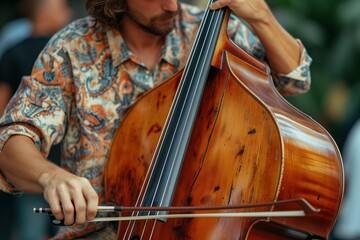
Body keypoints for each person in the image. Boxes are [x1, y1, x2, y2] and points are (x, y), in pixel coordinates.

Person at [0, 0, 312, 238]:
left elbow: (294, 80)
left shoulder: (214, 31)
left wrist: (261, 17)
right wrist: (51, 177)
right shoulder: (72, 47)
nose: (171, 6)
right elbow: (12, 141)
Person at [0, 0, 72, 239]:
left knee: (31, 232)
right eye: (61, 7)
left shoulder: (13, 51)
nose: (68, 12)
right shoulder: (65, 54)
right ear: (45, 12)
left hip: (28, 163)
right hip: (65, 166)